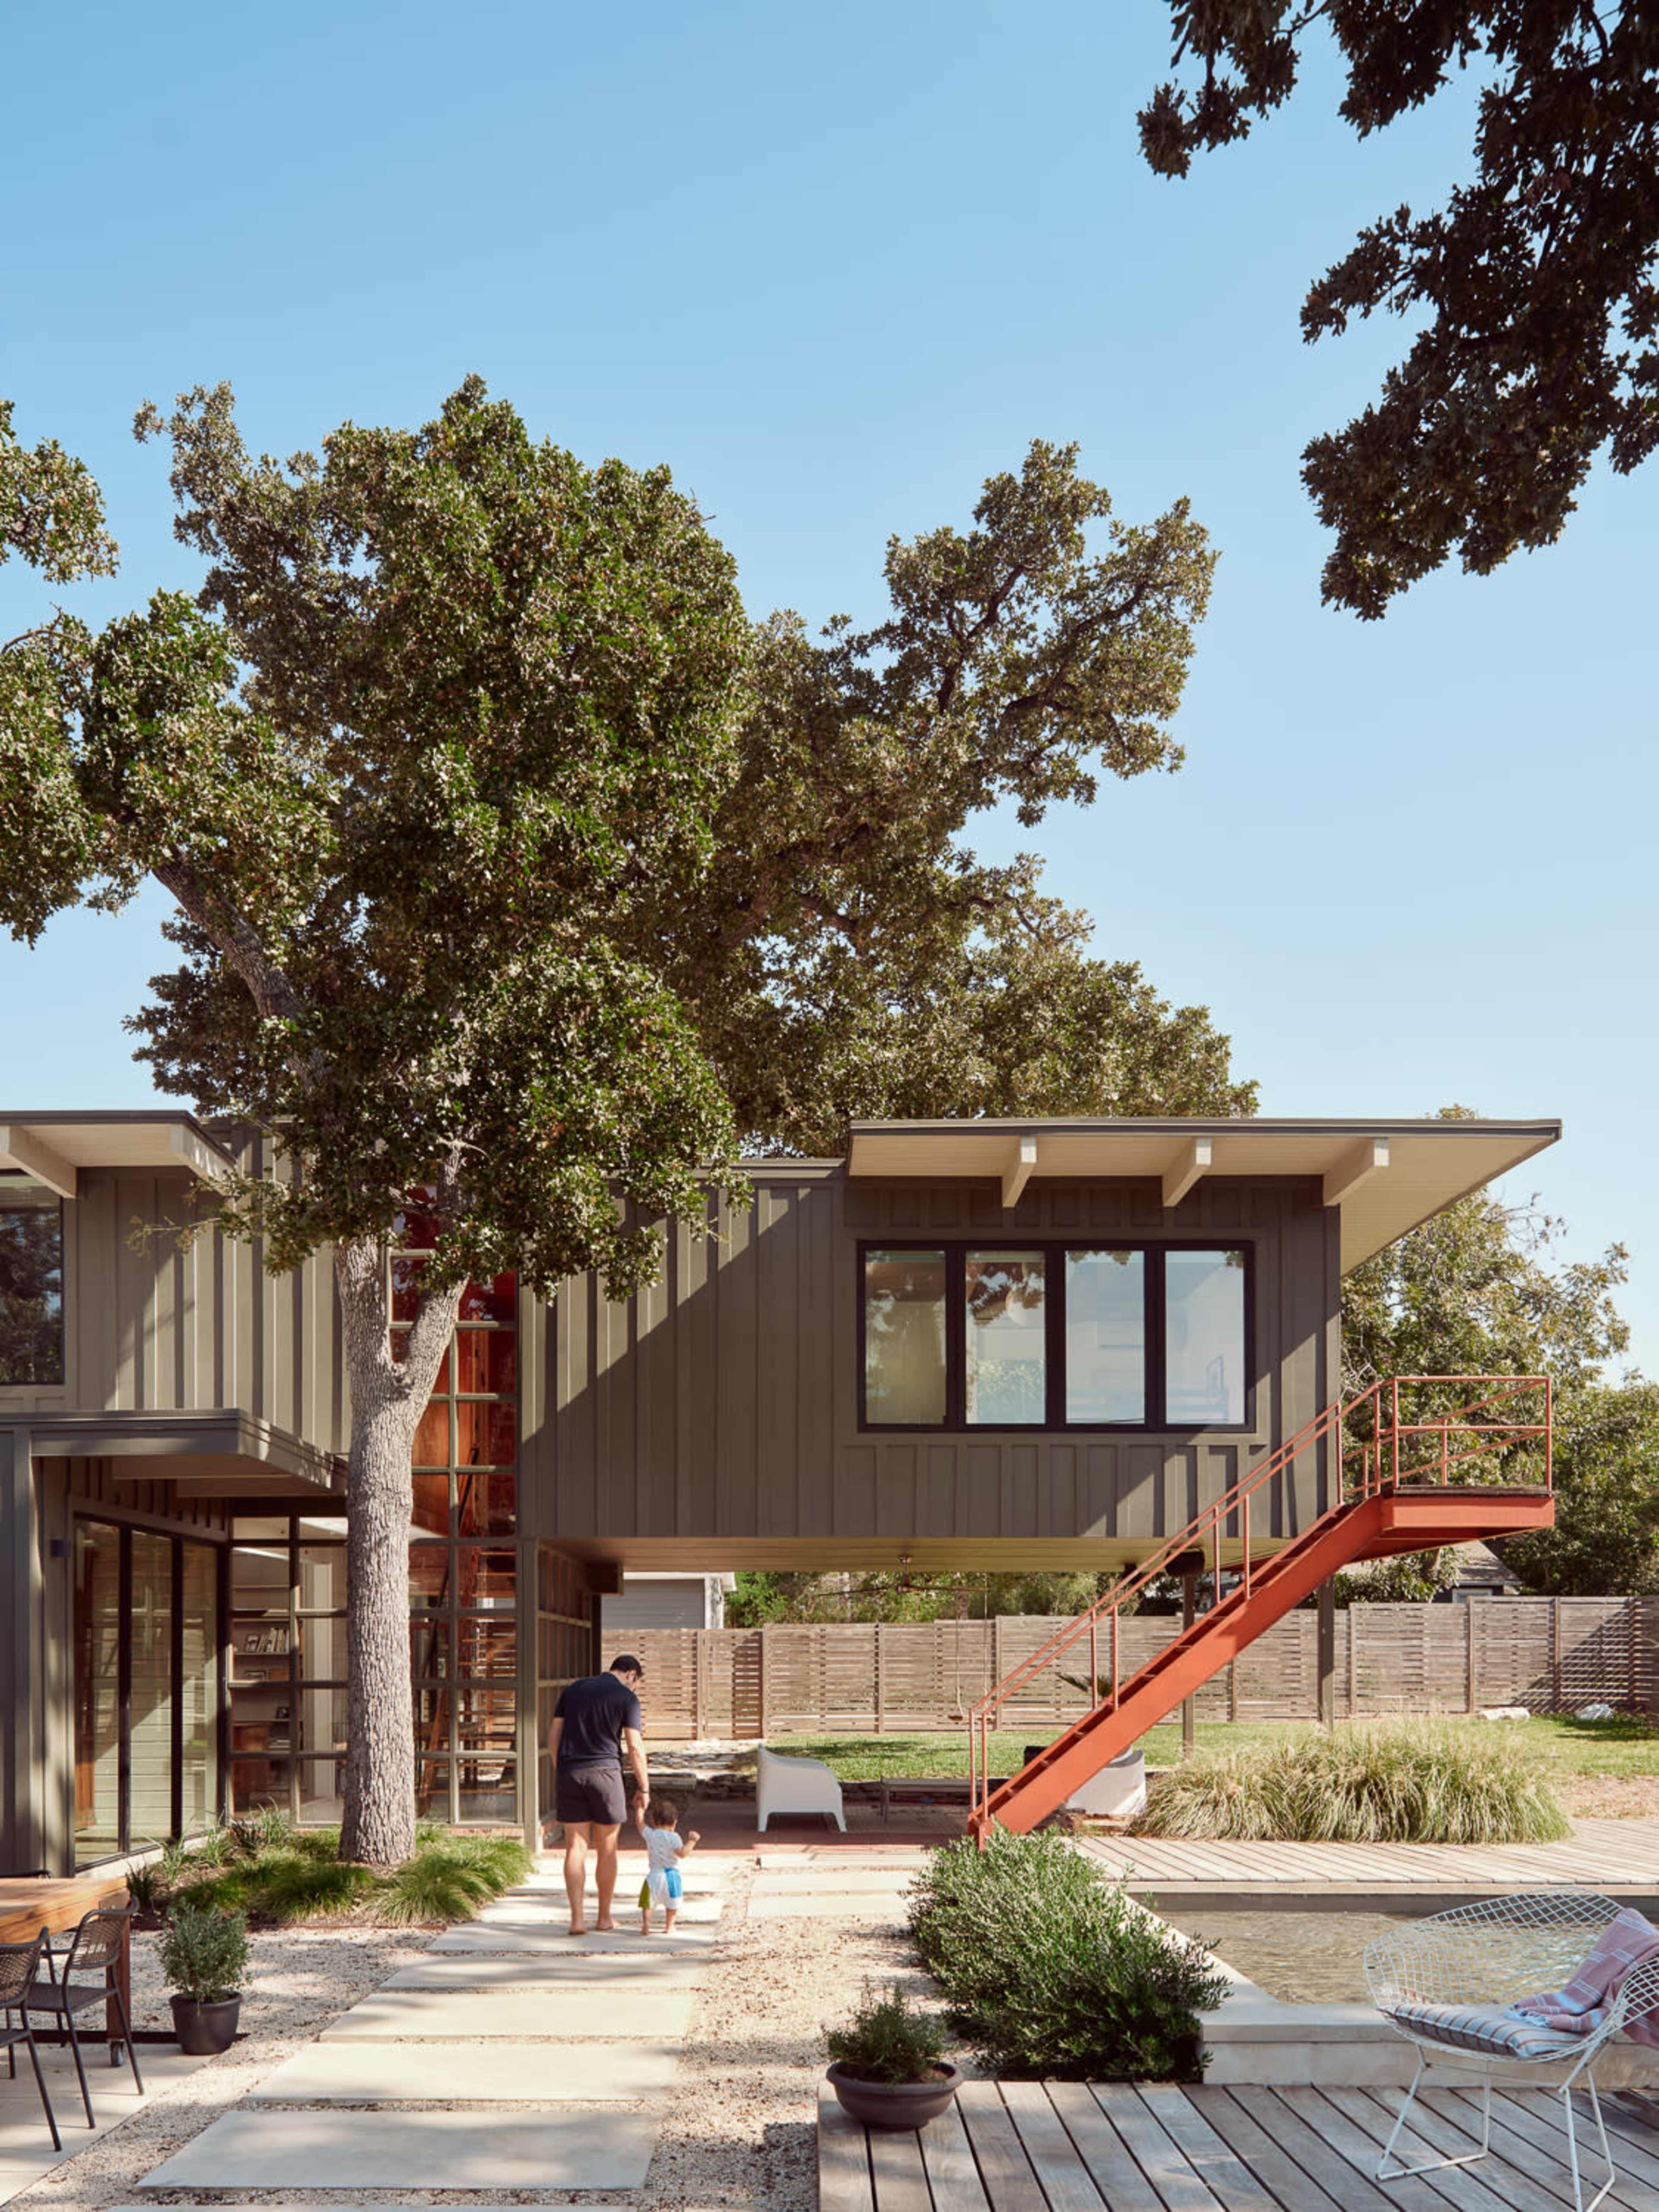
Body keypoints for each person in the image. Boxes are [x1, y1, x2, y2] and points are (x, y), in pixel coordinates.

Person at [547, 1654, 650, 1934]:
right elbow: (635, 1746)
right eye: (636, 1684)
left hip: (571, 1771)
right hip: (606, 1774)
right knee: (607, 1848)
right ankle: (604, 1918)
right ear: (631, 1674)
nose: (635, 1689)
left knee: (576, 1847)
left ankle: (577, 1920)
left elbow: (553, 1737)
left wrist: (564, 1770)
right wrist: (644, 1787)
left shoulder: (573, 1689)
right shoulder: (627, 1698)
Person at [638, 1797, 700, 1936]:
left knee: (647, 1902)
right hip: (672, 1876)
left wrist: (639, 1809)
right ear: (674, 1822)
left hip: (653, 1875)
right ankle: (670, 1926)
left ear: (654, 1821)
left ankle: (647, 1925)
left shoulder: (651, 1835)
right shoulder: (674, 1837)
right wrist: (692, 1841)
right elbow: (683, 1854)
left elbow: (640, 1824)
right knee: (673, 1903)